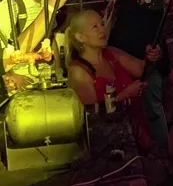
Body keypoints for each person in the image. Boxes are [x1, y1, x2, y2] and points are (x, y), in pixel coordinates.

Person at [78, 0, 170, 155]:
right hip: (123, 57)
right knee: (128, 108)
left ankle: (161, 155)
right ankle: (132, 154)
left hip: (153, 55)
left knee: (153, 108)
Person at [63, 9, 153, 151]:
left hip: (136, 130)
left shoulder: (112, 54)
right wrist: (124, 95)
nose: (102, 30)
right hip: (110, 143)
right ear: (80, 37)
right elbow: (91, 117)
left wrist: (151, 56)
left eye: (102, 24)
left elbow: (141, 68)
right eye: (95, 27)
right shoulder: (79, 72)